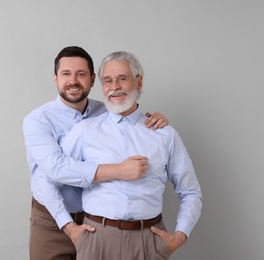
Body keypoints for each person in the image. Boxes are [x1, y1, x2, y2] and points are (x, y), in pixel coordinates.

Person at [45, 51, 203, 259]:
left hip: (149, 242)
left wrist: (180, 236)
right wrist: (69, 227)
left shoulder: (164, 134)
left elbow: (191, 191)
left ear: (139, 82)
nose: (114, 87)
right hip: (96, 240)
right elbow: (50, 176)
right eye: (108, 80)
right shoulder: (85, 131)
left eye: (122, 79)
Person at [23, 46, 170, 260]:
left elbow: (132, 127)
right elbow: (52, 172)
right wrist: (69, 226)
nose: (73, 81)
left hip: (98, 225)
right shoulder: (37, 120)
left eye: (81, 74)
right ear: (55, 78)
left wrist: (153, 120)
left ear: (93, 80)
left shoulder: (107, 110)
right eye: (66, 74)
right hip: (53, 220)